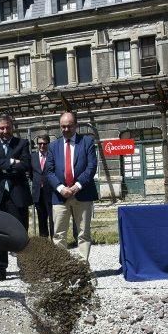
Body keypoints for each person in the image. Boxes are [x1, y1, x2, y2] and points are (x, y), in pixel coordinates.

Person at [0, 114, 31, 283]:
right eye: (1, 128)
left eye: (7, 127)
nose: (4, 131)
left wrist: (0, 164)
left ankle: (25, 268)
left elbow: (25, 165)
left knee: (21, 232)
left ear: (12, 127)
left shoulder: (22, 143)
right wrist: (11, 162)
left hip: (17, 195)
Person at [47, 112, 98, 261]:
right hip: (59, 196)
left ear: (76, 125)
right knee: (58, 234)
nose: (65, 129)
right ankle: (62, 266)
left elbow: (91, 167)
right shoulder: (53, 146)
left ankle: (83, 266)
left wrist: (76, 186)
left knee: (83, 233)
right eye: (62, 126)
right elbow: (49, 171)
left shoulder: (87, 142)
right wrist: (61, 188)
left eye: (69, 126)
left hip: (82, 194)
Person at [30, 133, 54, 238]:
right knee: (41, 218)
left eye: (44, 143)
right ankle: (44, 241)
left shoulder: (52, 156)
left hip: (51, 193)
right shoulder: (33, 157)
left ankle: (55, 241)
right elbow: (31, 174)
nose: (42, 146)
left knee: (53, 218)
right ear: (37, 145)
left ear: (48, 144)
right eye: (40, 144)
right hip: (38, 193)